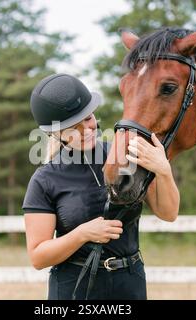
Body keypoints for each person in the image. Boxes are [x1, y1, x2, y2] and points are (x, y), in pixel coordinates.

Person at [22, 73, 180, 300]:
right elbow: (38, 257)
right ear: (56, 134)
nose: (86, 129)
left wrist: (163, 170)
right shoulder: (45, 180)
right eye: (72, 127)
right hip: (75, 288)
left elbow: (169, 213)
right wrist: (82, 234)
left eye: (88, 119)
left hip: (130, 283)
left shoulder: (124, 156)